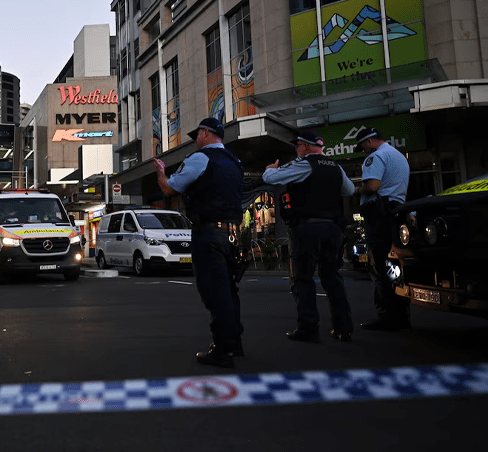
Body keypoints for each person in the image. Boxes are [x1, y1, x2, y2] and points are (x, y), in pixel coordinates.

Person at [154, 117, 244, 368]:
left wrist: (161, 173)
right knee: (229, 290)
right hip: (233, 233)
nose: (195, 139)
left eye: (197, 134)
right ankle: (235, 342)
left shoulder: (200, 158)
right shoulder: (234, 161)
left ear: (206, 133)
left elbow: (170, 189)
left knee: (215, 291)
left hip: (209, 232)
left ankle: (223, 349)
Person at [263, 131, 356, 342]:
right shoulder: (336, 167)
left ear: (304, 146)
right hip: (332, 230)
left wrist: (269, 170)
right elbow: (349, 190)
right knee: (332, 277)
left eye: (297, 146)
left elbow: (272, 178)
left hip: (307, 229)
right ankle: (344, 328)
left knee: (302, 278)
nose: (296, 150)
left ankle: (308, 328)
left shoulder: (305, 165)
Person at [355, 127, 411, 330]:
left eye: (362, 147)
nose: (363, 151)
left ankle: (386, 315)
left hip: (380, 216)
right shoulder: (398, 156)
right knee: (396, 266)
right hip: (396, 213)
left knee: (380, 266)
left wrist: (355, 190)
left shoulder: (375, 157)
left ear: (369, 142)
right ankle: (402, 315)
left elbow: (372, 186)